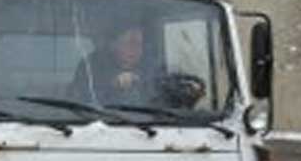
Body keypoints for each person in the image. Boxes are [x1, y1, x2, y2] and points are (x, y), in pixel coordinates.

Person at [68, 19, 204, 110]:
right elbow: (78, 99)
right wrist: (112, 85)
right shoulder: (91, 66)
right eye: (131, 43)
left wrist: (185, 91)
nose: (137, 49)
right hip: (101, 129)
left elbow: (165, 99)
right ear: (113, 44)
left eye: (140, 44)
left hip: (151, 130)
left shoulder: (152, 67)